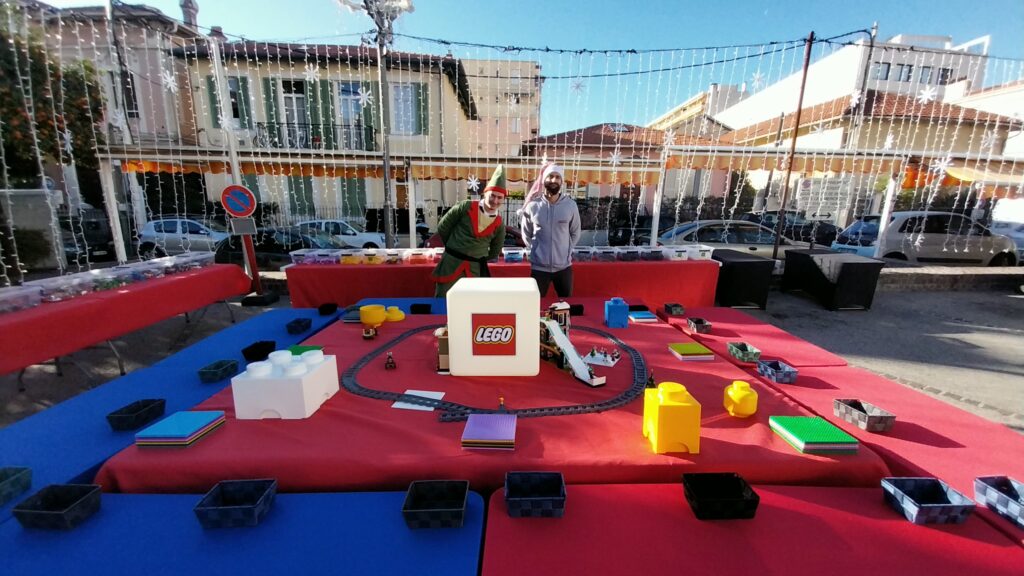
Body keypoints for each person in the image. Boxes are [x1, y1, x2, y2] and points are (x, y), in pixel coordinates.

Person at [431, 164, 508, 297]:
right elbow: (443, 227)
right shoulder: (465, 207)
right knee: (444, 299)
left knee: (470, 304)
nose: (495, 200)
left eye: (499, 197)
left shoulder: (499, 224)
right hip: (451, 264)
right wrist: (454, 247)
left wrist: (477, 256)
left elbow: (495, 250)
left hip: (474, 270)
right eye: (492, 195)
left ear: (503, 199)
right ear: (485, 193)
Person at [520, 163, 581, 297]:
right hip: (539, 269)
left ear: (561, 181)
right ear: (544, 180)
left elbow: (575, 232)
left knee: (565, 305)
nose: (554, 180)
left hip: (564, 268)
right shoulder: (533, 206)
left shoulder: (570, 206)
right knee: (537, 304)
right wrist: (536, 251)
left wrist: (566, 250)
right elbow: (526, 233)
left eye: (557, 177)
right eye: (550, 176)